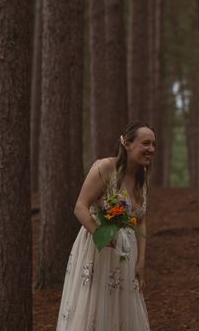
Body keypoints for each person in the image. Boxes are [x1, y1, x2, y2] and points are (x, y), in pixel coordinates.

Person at [56, 122, 155, 330]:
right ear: (127, 144)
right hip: (98, 250)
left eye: (154, 144)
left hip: (126, 254)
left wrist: (141, 261)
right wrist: (100, 233)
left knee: (122, 308)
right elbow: (80, 207)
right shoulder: (105, 168)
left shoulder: (141, 177)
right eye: (146, 143)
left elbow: (141, 220)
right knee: (95, 304)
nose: (151, 149)